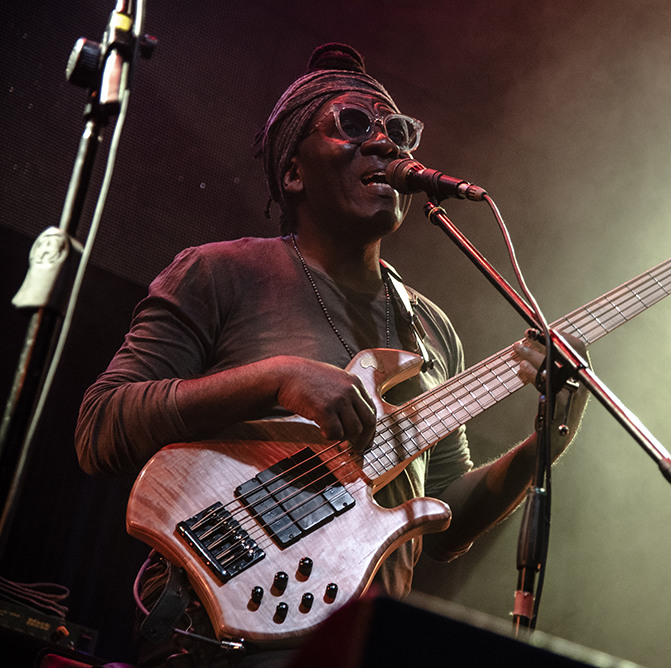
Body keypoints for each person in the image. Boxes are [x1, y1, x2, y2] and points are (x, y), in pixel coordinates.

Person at [76, 43, 588, 667]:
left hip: (354, 646)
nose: (386, 144)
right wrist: (277, 378)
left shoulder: (429, 328)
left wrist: (548, 437)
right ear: (293, 173)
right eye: (353, 125)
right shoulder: (221, 273)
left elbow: (445, 518)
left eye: (397, 132)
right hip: (213, 633)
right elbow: (101, 425)